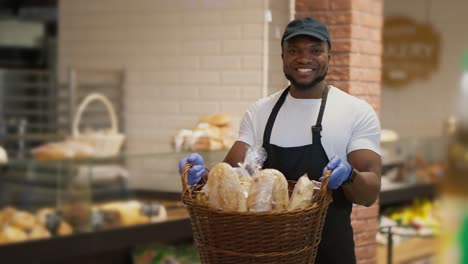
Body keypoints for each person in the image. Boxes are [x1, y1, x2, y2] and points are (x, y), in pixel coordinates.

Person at [178, 16, 381, 264]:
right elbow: (230, 178)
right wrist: (201, 176)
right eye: (294, 50)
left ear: (329, 56)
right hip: (265, 255)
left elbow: (369, 194)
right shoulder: (260, 111)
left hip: (329, 255)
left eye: (315, 50)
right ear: (283, 57)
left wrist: (350, 176)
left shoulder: (355, 111)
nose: (304, 58)